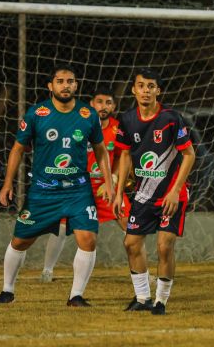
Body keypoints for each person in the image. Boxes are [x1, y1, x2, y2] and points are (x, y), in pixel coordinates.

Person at [0, 65, 114, 307]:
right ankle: (7, 290)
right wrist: (7, 183)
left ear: (76, 85)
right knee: (20, 241)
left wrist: (109, 182)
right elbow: (18, 149)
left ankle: (76, 296)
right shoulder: (37, 113)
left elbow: (101, 150)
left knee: (88, 239)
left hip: (78, 190)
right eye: (60, 81)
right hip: (43, 190)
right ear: (51, 86)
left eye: (70, 81)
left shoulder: (88, 114)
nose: (65, 85)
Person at [113, 68, 196, 315]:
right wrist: (119, 193)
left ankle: (160, 301)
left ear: (158, 91)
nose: (146, 90)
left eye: (151, 86)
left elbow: (189, 154)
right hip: (144, 194)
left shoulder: (171, 118)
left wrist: (175, 190)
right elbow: (125, 155)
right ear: (134, 90)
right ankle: (142, 298)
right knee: (131, 243)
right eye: (141, 85)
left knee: (164, 246)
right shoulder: (127, 120)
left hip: (172, 194)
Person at [40, 86, 132, 282]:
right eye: (99, 102)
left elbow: (123, 157)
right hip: (79, 186)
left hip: (106, 187)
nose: (103, 106)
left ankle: (141, 273)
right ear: (91, 104)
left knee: (130, 224)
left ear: (114, 106)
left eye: (108, 103)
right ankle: (47, 272)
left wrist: (113, 179)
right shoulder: (78, 123)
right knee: (62, 227)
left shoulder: (119, 128)